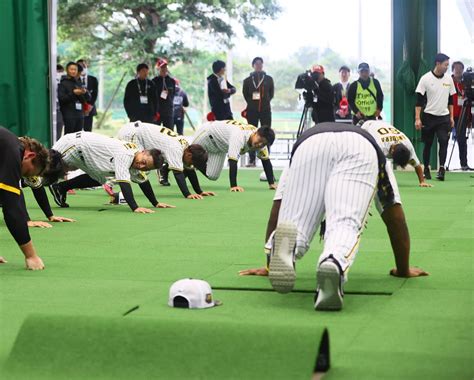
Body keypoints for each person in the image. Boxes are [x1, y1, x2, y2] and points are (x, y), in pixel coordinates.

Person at [239, 123, 428, 311]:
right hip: (360, 147)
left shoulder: (367, 127)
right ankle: (333, 261)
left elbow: (279, 203)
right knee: (344, 222)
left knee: (295, 223)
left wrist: (269, 264)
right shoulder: (383, 154)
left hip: (308, 143)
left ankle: (288, 245)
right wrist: (403, 270)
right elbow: (395, 217)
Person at [49, 131, 174, 213]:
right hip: (73, 144)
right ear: (143, 152)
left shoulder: (136, 159)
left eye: (145, 168)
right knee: (43, 171)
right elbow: (124, 183)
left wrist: (155, 203)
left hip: (84, 155)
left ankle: (60, 188)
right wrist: (135, 207)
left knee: (100, 179)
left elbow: (143, 181)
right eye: (144, 162)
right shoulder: (126, 154)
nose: (141, 166)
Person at [118, 121, 214, 199]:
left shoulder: (186, 147)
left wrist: (199, 191)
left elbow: (189, 170)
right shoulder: (176, 149)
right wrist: (187, 194)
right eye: (192, 162)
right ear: (189, 155)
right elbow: (178, 173)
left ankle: (115, 185)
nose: (191, 165)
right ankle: (112, 186)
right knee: (138, 167)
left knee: (139, 169)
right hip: (132, 133)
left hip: (135, 131)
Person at [0, 127, 49, 270]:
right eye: (26, 172)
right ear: (30, 156)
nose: (22, 176)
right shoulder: (12, 151)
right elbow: (12, 210)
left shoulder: (8, 144)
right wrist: (31, 255)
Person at [191, 120, 277, 192]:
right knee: (189, 157)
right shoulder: (239, 135)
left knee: (212, 175)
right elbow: (232, 161)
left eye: (264, 144)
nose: (260, 144)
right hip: (207, 134)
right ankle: (185, 171)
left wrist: (271, 183)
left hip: (220, 148)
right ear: (256, 133)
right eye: (260, 140)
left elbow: (266, 161)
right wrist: (234, 185)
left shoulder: (262, 143)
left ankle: (195, 165)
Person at [415, 53, 456, 181]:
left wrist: (451, 117)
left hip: (444, 117)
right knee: (428, 144)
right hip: (429, 116)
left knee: (444, 142)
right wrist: (417, 118)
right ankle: (426, 167)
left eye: (448, 65)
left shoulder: (449, 80)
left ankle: (442, 169)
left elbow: (451, 100)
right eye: (445, 65)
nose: (446, 67)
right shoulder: (425, 78)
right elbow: (419, 101)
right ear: (438, 64)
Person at [361, 120, 432, 188]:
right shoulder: (381, 146)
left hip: (383, 126)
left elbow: (417, 165)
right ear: (392, 153)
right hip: (367, 128)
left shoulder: (408, 146)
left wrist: (422, 181)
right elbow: (374, 162)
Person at [242, 57, 274, 167]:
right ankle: (251, 160)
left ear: (263, 65)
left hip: (265, 110)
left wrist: (265, 102)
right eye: (256, 64)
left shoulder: (269, 79)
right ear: (253, 65)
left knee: (267, 134)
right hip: (252, 111)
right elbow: (246, 95)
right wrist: (252, 104)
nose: (259, 65)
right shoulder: (247, 80)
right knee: (251, 134)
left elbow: (271, 94)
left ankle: (266, 158)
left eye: (260, 63)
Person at [58, 62, 91, 134]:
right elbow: (62, 99)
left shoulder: (79, 82)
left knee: (78, 135)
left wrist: (85, 92)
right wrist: (73, 93)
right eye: (71, 69)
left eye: (75, 69)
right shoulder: (63, 83)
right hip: (69, 114)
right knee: (69, 135)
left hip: (79, 114)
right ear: (67, 70)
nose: (73, 71)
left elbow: (88, 98)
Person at [451, 61, 472, 171]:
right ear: (452, 70)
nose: (458, 70)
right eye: (456, 68)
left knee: (462, 139)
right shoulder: (448, 82)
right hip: (449, 114)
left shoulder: (466, 84)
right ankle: (442, 166)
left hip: (462, 115)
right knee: (443, 139)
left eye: (460, 68)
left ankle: (464, 164)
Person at [152, 58, 176, 130]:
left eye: (165, 67)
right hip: (157, 111)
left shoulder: (172, 81)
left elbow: (173, 95)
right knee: (155, 132)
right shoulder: (154, 81)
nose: (164, 69)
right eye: (162, 67)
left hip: (168, 111)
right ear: (158, 68)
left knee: (169, 132)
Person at [77, 59, 99, 132]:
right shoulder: (75, 80)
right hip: (77, 108)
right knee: (77, 130)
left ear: (87, 66)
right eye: (80, 66)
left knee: (88, 129)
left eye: (84, 66)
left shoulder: (93, 79)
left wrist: (90, 105)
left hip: (90, 107)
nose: (82, 68)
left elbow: (95, 93)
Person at [55, 64, 65, 141]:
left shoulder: (63, 82)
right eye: (59, 72)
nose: (60, 74)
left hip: (59, 108)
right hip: (54, 106)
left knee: (59, 129)